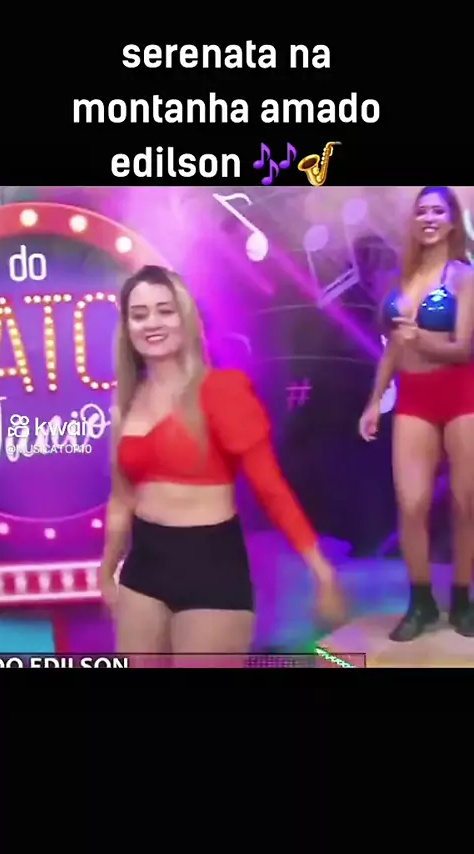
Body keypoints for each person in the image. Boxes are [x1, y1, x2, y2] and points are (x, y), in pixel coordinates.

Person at [99, 265, 345, 664]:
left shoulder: (222, 390)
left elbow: (270, 488)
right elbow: (122, 498)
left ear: (185, 317)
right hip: (142, 567)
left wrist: (321, 569)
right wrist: (106, 570)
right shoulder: (126, 403)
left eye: (164, 310)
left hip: (210, 566)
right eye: (139, 315)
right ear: (127, 328)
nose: (152, 323)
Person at [359, 186, 474, 641]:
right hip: (413, 397)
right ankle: (421, 602)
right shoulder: (400, 280)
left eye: (437, 211)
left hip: (462, 394)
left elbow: (464, 348)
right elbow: (392, 349)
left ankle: (462, 599)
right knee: (411, 504)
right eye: (421, 211)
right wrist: (375, 400)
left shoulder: (463, 276)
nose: (428, 218)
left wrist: (419, 339)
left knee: (466, 503)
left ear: (452, 220)